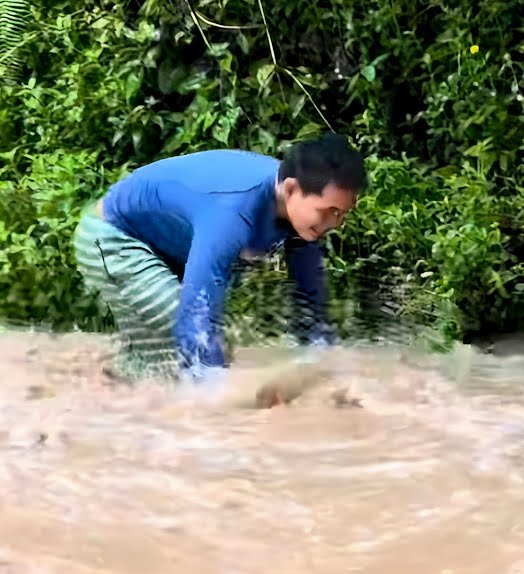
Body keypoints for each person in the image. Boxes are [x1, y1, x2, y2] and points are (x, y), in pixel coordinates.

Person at [72, 132, 366, 385]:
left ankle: (117, 393)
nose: (334, 222)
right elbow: (196, 310)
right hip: (111, 237)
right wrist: (220, 408)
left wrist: (323, 364)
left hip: (172, 248)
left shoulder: (301, 217)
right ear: (290, 188)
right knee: (191, 340)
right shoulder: (233, 209)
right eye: (328, 210)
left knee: (166, 365)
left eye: (341, 213)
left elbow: (310, 302)